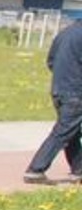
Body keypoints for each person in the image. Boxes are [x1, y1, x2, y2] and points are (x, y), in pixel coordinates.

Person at [23, 15, 82, 185]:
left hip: (59, 89)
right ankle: (36, 169)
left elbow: (51, 61)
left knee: (71, 132)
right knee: (63, 131)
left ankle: (79, 170)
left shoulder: (65, 33)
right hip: (76, 91)